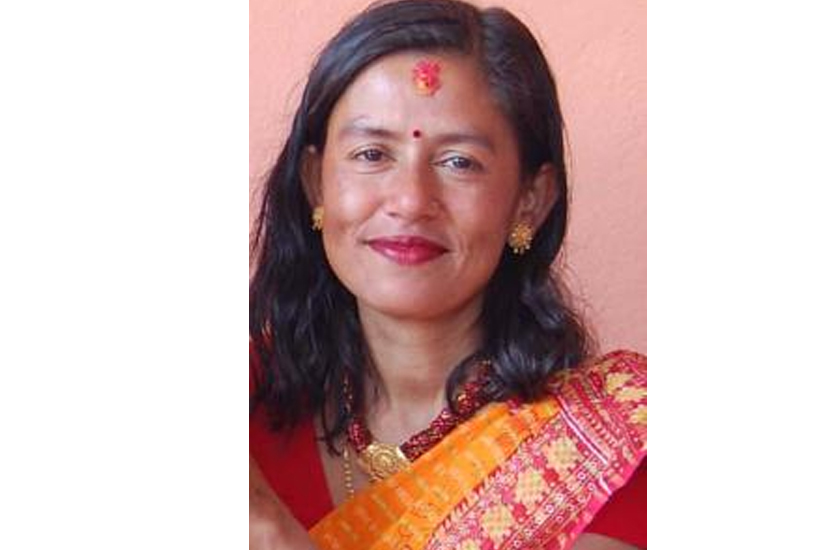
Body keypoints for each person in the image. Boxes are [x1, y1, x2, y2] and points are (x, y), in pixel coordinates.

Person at [249, 1, 647, 548]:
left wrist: (269, 533)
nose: (411, 200)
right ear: (316, 183)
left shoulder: (603, 454)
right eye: (372, 154)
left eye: (459, 162)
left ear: (530, 201)